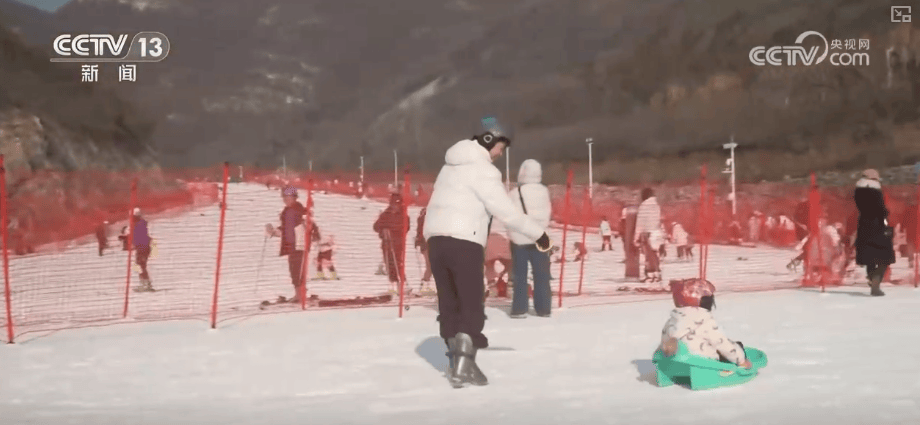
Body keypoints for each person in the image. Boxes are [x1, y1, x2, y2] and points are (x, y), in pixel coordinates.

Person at [423, 117, 553, 387]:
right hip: (464, 242)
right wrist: (539, 234)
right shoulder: (483, 170)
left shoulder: (448, 167)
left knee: (449, 304)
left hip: (435, 242)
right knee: (471, 304)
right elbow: (506, 212)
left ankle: (462, 364)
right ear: (488, 139)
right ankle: (461, 366)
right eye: (500, 147)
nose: (500, 154)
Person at [660, 278, 752, 369]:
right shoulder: (704, 321)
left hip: (677, 363)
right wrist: (741, 360)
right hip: (703, 364)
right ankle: (740, 360)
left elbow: (665, 342)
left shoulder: (672, 321)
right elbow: (721, 343)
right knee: (735, 347)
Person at [508, 159, 553, 318]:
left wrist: (511, 233)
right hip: (539, 237)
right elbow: (548, 213)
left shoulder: (515, 193)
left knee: (520, 275)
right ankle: (544, 308)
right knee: (542, 274)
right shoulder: (544, 191)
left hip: (519, 239)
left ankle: (520, 308)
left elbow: (509, 216)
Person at [854, 169, 895, 296]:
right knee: (885, 257)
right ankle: (876, 282)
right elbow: (880, 211)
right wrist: (886, 220)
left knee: (869, 256)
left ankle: (871, 277)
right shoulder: (875, 192)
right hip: (878, 226)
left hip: (864, 225)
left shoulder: (858, 191)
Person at [268, 185, 309, 302]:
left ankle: (300, 295)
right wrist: (274, 232)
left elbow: (290, 228)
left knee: (297, 269)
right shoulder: (290, 210)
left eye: (288, 196)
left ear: (294, 197)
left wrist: (276, 232)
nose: (285, 199)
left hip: (298, 243)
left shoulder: (295, 210)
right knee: (294, 269)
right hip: (293, 243)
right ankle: (299, 294)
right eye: (284, 197)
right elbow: (287, 228)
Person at [374, 193, 410, 291]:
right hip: (386, 244)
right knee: (389, 265)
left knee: (398, 264)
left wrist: (392, 231)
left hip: (398, 243)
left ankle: (403, 285)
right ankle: (393, 285)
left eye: (397, 204)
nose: (395, 206)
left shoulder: (403, 215)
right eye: (393, 203)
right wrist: (383, 230)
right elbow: (376, 227)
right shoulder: (385, 214)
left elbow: (406, 228)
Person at [634, 188, 663, 283]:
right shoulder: (657, 205)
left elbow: (640, 223)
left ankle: (650, 275)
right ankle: (657, 273)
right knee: (655, 254)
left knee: (648, 255)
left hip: (647, 233)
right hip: (657, 232)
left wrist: (636, 237)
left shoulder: (644, 206)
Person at [130, 209, 155, 291]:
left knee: (141, 266)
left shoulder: (139, 225)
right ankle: (145, 283)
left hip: (142, 248)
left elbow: (140, 237)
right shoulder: (138, 224)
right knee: (140, 266)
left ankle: (146, 284)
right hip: (142, 248)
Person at [414, 207, 434, 289]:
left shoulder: (423, 216)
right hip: (427, 244)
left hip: (428, 244)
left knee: (430, 266)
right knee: (430, 266)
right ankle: (424, 285)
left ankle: (425, 285)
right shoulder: (425, 217)